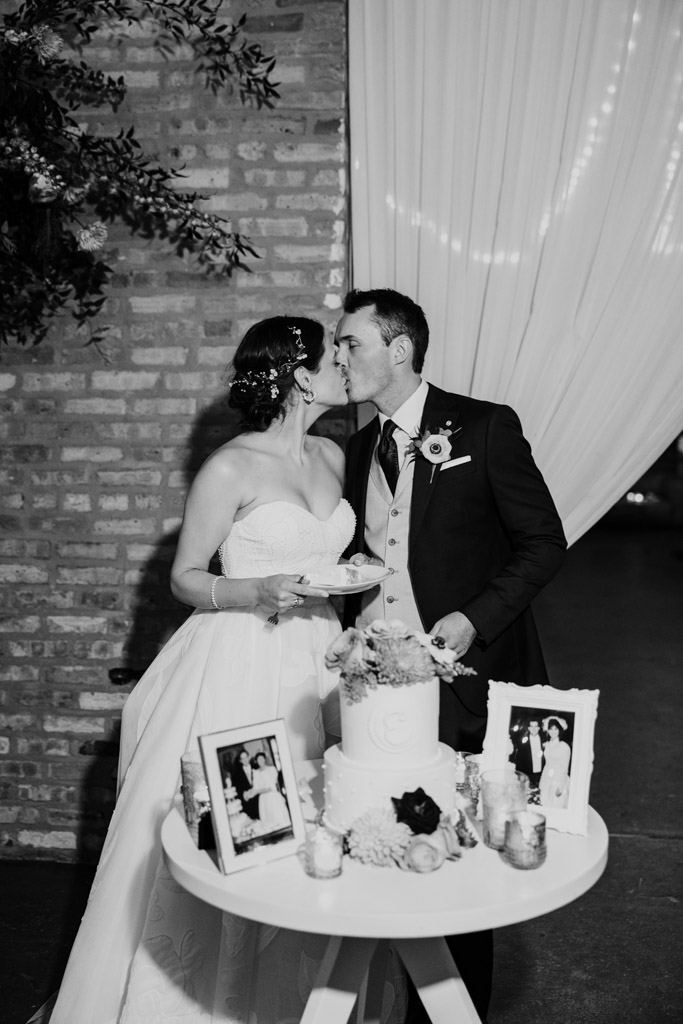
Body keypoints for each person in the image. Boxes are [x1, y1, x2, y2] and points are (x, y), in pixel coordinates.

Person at [46, 315, 361, 1024]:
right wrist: (252, 590)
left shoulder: (333, 457)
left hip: (320, 657)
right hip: (241, 658)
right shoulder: (231, 466)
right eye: (331, 352)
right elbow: (185, 577)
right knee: (239, 831)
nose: (344, 362)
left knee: (313, 823)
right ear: (298, 373)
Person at [335, 287, 567, 1023]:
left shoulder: (485, 426)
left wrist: (475, 616)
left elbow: (542, 543)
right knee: (377, 844)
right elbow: (367, 551)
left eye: (350, 344)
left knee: (460, 868)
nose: (339, 358)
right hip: (380, 692)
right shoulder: (354, 444)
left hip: (468, 687)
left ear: (398, 349)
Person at [248, 751, 290, 828]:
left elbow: (271, 787)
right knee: (267, 821)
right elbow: (255, 787)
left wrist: (257, 791)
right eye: (258, 759)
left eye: (261, 759)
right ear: (256, 761)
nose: (260, 761)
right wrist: (250, 793)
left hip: (272, 797)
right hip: (263, 800)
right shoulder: (256, 772)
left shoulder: (272, 769)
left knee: (278, 818)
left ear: (264, 759)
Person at [539, 717, 571, 807]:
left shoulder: (564, 746)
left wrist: (560, 786)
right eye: (550, 729)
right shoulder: (546, 745)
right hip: (546, 777)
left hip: (558, 778)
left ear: (559, 730)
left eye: (555, 729)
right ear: (547, 730)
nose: (553, 731)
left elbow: (565, 768)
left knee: (556, 804)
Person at [512, 718, 545, 789]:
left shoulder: (544, 740)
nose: (534, 728)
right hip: (527, 774)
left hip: (541, 775)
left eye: (536, 726)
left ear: (539, 728)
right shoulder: (523, 742)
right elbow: (519, 760)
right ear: (529, 728)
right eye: (531, 726)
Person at [232, 747, 260, 819]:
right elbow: (237, 791)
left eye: (246, 757)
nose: (245, 760)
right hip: (248, 805)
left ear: (248, 757)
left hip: (260, 801)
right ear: (240, 761)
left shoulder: (256, 767)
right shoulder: (237, 774)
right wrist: (244, 794)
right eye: (242, 758)